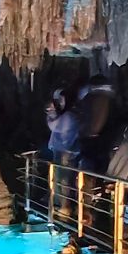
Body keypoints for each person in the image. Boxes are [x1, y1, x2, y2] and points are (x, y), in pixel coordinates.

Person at [45, 87, 80, 217]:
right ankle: (60, 203)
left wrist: (51, 113)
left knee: (63, 179)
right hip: (62, 149)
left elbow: (54, 126)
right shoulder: (68, 114)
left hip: (66, 150)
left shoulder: (69, 116)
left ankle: (65, 206)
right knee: (59, 178)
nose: (58, 103)